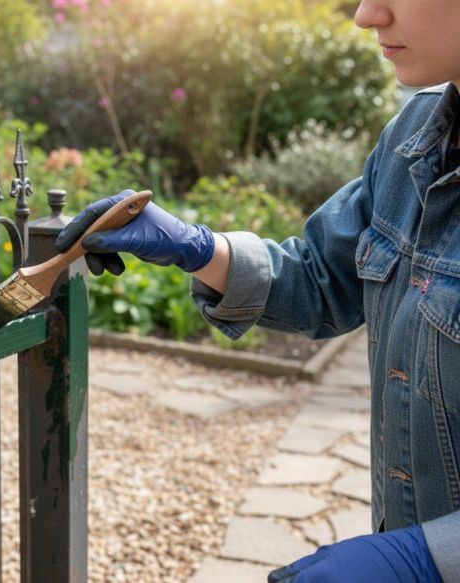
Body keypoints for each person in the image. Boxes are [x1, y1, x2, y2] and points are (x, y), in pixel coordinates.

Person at [55, 0, 460, 581]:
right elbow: (322, 278)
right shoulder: (415, 135)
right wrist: (198, 247)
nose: (365, 15)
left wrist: (432, 557)